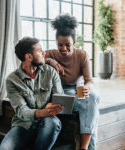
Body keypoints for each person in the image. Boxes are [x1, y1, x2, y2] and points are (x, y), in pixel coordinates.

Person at [0, 37, 64, 150]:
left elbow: (60, 98)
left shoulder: (50, 72)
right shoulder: (12, 80)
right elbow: (21, 110)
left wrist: (53, 105)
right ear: (28, 57)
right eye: (39, 50)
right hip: (22, 124)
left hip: (47, 121)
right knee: (5, 148)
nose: (44, 53)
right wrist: (43, 111)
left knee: (53, 123)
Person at [45, 14, 100, 150]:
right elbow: (34, 58)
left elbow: (90, 81)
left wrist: (87, 87)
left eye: (68, 45)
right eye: (60, 45)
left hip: (78, 88)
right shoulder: (50, 54)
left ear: (74, 43)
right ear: (56, 43)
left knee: (92, 97)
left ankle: (83, 147)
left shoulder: (82, 55)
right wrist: (51, 61)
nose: (63, 48)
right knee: (91, 109)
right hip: (61, 91)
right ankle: (88, 147)